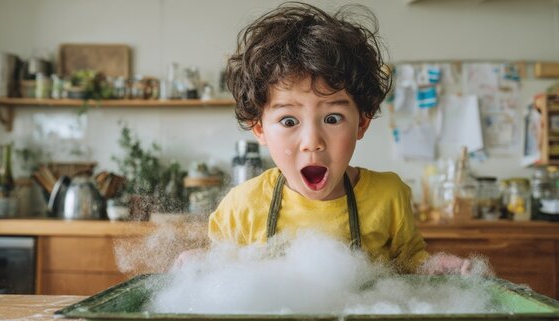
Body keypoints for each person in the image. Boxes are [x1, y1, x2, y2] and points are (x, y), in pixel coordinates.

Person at [177, 2, 468, 274]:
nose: (312, 141)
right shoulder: (241, 205)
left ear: (362, 123)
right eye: (289, 121)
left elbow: (410, 263)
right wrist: (201, 263)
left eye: (332, 118)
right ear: (260, 130)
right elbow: (219, 275)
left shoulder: (388, 197)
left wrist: (434, 265)